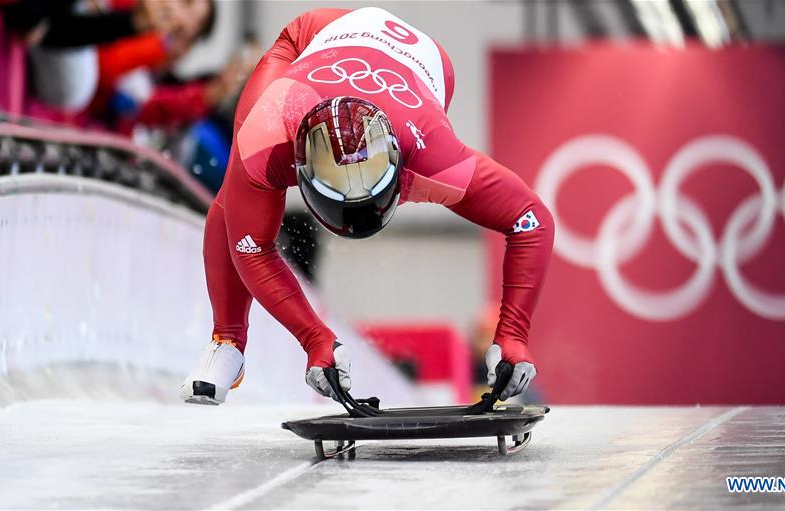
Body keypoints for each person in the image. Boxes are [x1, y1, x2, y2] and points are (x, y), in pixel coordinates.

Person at [180, 7, 554, 405]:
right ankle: (227, 341)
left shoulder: (436, 156)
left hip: (425, 63)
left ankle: (228, 340)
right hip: (311, 41)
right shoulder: (269, 130)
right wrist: (314, 338)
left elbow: (532, 222)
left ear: (401, 170)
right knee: (233, 197)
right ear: (299, 167)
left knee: (241, 191)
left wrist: (512, 334)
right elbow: (250, 247)